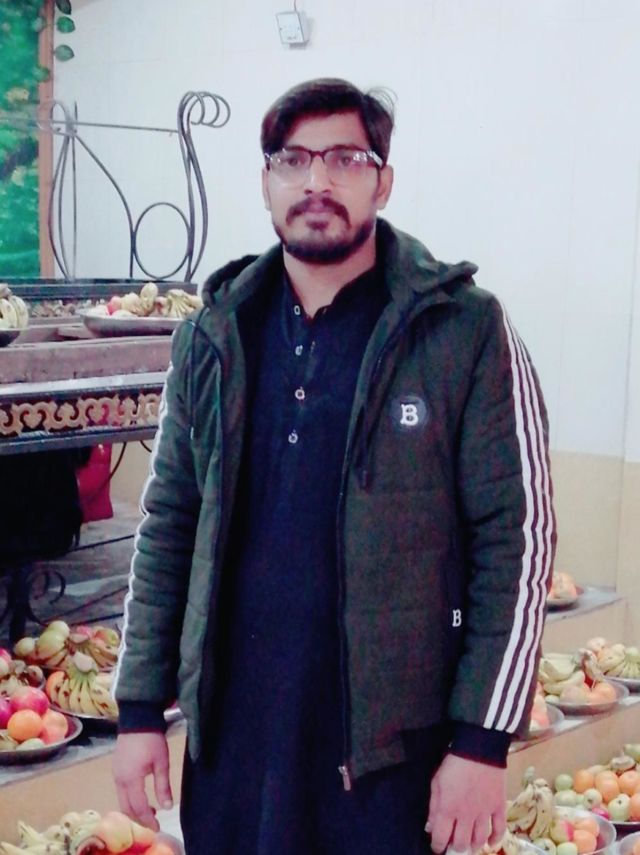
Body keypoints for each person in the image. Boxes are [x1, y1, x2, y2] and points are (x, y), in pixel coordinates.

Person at [112, 78, 556, 855]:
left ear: (383, 180)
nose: (316, 180)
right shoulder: (215, 332)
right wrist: (140, 708)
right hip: (233, 748)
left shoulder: (462, 330)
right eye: (292, 159)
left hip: (387, 761)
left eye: (346, 158)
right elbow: (169, 525)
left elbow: (516, 542)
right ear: (266, 181)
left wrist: (482, 740)